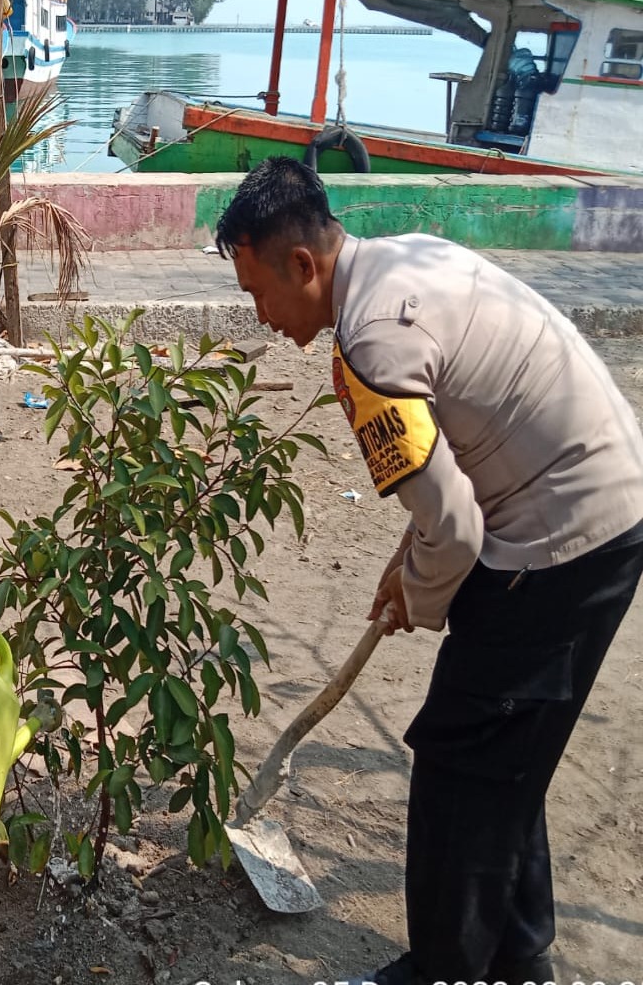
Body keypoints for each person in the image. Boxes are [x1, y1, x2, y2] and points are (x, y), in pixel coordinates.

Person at [215, 157, 643, 985]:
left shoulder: (368, 349)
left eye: (259, 293)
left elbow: (454, 527)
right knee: (508, 747)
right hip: (608, 497)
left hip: (562, 535)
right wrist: (408, 558)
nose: (262, 316)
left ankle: (445, 969)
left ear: (303, 265)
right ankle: (520, 958)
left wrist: (419, 588)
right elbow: (446, 490)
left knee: (463, 756)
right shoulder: (405, 259)